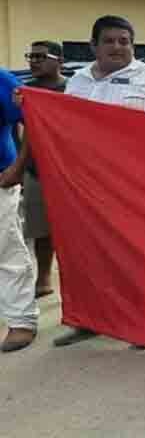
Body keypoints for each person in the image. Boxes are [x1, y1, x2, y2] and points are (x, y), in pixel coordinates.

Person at [54, 16, 145, 348]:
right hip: (85, 184)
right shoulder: (78, 81)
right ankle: (88, 319)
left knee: (138, 255)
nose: (117, 47)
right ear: (93, 46)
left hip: (136, 185)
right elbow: (63, 125)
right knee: (87, 253)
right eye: (109, 41)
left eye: (124, 41)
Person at [3, 42, 66, 299]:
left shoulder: (74, 88)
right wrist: (19, 165)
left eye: (41, 56)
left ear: (59, 60)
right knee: (39, 229)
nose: (34, 61)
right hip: (35, 169)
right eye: (31, 56)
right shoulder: (24, 90)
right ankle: (43, 277)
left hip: (67, 171)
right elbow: (22, 129)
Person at [0, 67, 37, 353]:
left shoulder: (2, 79)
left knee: (6, 250)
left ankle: (21, 321)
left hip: (0, 177)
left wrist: (17, 168)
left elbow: (34, 120)